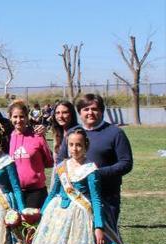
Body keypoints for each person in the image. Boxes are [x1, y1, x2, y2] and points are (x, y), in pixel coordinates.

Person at [20, 129, 133, 244]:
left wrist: (98, 226)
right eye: (71, 145)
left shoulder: (91, 169)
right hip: (56, 216)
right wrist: (42, 214)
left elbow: (96, 200)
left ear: (86, 146)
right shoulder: (62, 167)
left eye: (79, 145)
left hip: (81, 217)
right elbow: (54, 192)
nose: (75, 148)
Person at [56, 94, 133, 222]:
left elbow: (126, 163)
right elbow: (60, 161)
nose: (90, 112)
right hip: (77, 198)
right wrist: (75, 174)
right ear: (79, 112)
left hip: (106, 197)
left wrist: (96, 173)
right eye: (86, 109)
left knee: (105, 239)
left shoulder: (115, 133)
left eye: (94, 109)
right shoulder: (73, 133)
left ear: (101, 111)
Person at [8, 100, 54, 208]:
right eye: (15, 117)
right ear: (10, 118)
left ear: (27, 117)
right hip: (16, 192)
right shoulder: (9, 137)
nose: (18, 120)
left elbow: (49, 162)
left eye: (22, 116)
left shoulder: (37, 136)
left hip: (36, 192)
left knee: (32, 224)